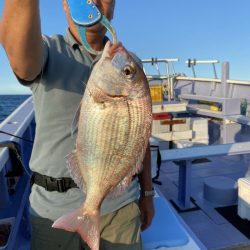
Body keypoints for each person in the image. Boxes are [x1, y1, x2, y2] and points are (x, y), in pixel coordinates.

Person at [1, 0, 155, 249]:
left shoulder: (130, 62)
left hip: (120, 207)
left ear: (113, 6)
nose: (94, 1)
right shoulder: (47, 49)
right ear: (65, 4)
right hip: (51, 210)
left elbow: (138, 138)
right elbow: (20, 60)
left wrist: (147, 194)